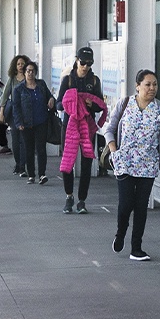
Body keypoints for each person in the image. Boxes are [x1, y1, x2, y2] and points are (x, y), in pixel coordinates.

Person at [107, 70, 160, 260]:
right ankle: (120, 234)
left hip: (148, 165)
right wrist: (114, 151)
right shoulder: (125, 104)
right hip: (125, 163)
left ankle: (137, 247)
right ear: (138, 86)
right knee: (126, 204)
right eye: (148, 84)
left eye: (155, 85)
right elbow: (109, 129)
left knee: (141, 206)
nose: (152, 88)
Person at [57, 54, 108, 213]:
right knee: (67, 163)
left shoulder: (94, 81)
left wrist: (91, 104)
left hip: (88, 126)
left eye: (89, 63)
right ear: (77, 60)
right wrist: (71, 104)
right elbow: (59, 103)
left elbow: (100, 105)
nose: (85, 66)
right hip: (70, 125)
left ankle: (82, 200)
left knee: (86, 164)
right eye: (83, 63)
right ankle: (69, 196)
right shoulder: (68, 80)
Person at [7, 61, 52, 184]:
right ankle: (31, 174)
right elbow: (16, 107)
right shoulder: (19, 89)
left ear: (36, 72)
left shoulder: (41, 85)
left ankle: (42, 174)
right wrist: (18, 122)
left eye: (32, 71)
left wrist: (51, 99)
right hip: (26, 123)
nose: (30, 73)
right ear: (24, 72)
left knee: (41, 148)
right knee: (29, 148)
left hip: (41, 121)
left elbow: (49, 96)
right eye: (28, 71)